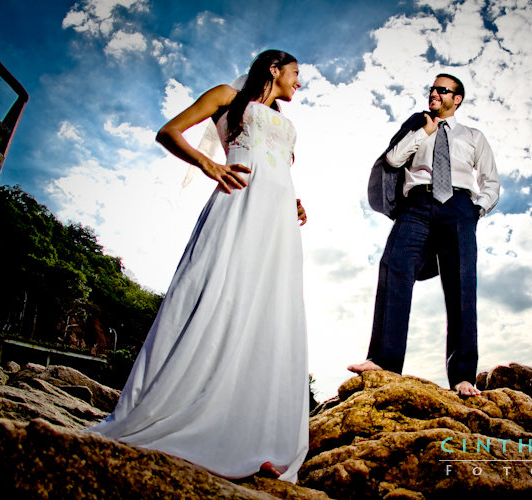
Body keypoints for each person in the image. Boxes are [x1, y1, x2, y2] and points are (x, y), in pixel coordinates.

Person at [87, 50, 308, 482]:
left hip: (278, 219)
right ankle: (182, 410)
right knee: (219, 292)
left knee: (267, 307)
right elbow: (168, 132)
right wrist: (208, 163)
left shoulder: (285, 122)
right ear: (274, 69)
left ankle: (250, 431)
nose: (300, 82)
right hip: (238, 201)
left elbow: (279, 166)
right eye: (297, 73)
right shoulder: (229, 96)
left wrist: (294, 200)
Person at [349, 74, 500, 397]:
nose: (434, 93)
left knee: (461, 286)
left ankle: (463, 377)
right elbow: (392, 160)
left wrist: (477, 209)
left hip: (459, 207)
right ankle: (382, 361)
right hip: (416, 204)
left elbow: (491, 181)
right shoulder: (418, 128)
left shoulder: (473, 136)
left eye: (442, 90)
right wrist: (423, 132)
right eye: (432, 88)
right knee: (394, 268)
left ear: (456, 99)